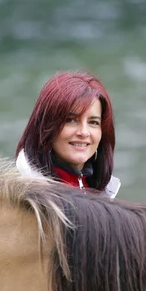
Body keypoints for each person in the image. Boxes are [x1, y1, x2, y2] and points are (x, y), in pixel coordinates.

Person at [15, 70, 121, 199]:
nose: (83, 132)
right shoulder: (21, 199)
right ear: (46, 126)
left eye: (93, 122)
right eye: (70, 120)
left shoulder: (106, 191)